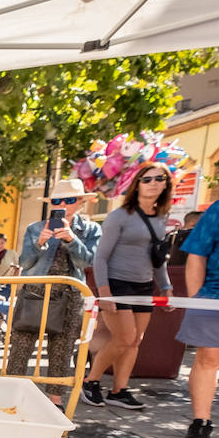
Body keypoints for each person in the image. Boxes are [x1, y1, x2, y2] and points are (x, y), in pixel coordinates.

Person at [82, 163, 175, 410]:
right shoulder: (119, 216)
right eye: (147, 179)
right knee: (124, 338)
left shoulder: (162, 217)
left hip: (144, 286)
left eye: (159, 178)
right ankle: (90, 381)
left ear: (166, 183)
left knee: (135, 341)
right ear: (137, 184)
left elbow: (157, 258)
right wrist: (104, 293)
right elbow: (100, 257)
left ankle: (119, 390)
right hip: (117, 283)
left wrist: (165, 287)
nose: (153, 183)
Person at [5, 180, 101, 409]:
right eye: (57, 201)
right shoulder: (35, 228)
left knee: (62, 350)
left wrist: (70, 239)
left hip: (70, 294)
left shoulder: (90, 230)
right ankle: (9, 397)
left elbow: (87, 262)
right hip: (36, 291)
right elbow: (25, 261)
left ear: (80, 202)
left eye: (68, 200)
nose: (63, 205)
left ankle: (55, 403)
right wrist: (40, 242)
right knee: (20, 346)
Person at [174, 191, 219, 438]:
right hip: (217, 295)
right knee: (210, 358)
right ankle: (200, 422)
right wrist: (196, 300)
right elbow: (197, 255)